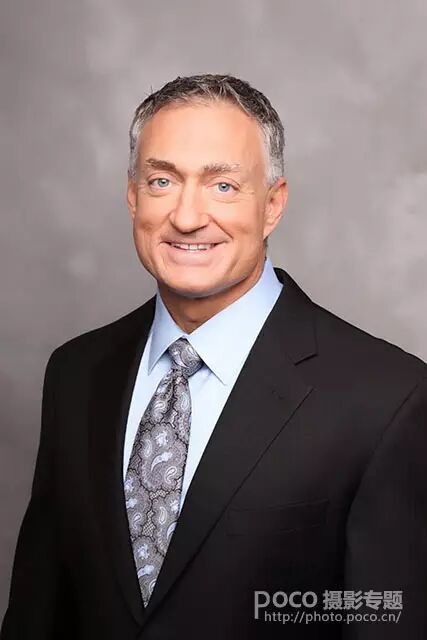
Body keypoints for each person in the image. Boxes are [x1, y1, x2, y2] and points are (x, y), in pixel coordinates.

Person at [1, 73, 426, 640]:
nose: (187, 216)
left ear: (273, 204)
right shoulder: (76, 374)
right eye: (162, 181)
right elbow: (37, 614)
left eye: (223, 186)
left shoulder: (387, 399)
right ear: (132, 196)